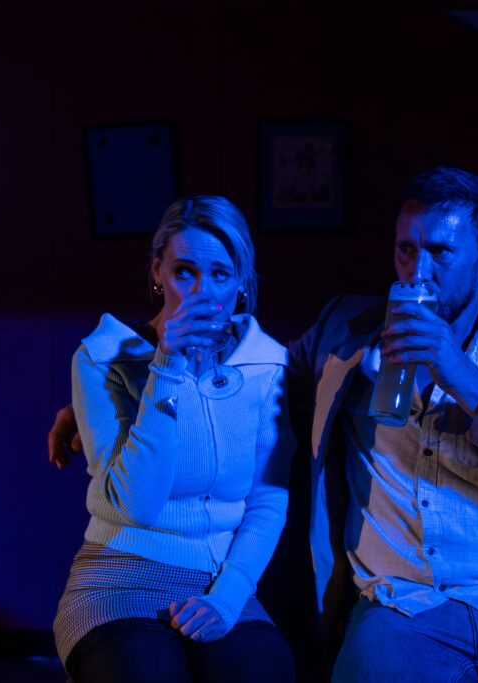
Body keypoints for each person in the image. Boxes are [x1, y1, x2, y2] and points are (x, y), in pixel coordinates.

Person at [51, 169, 478, 682]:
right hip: (400, 602)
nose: (418, 272)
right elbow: (257, 381)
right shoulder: (347, 330)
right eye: (405, 250)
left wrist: (460, 374)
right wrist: (105, 395)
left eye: (440, 252)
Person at [52, 195, 296, 683]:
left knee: (264, 672)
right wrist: (167, 367)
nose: (202, 292)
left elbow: (267, 500)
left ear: (241, 283)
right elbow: (138, 506)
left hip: (221, 580)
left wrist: (227, 598)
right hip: (120, 573)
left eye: (220, 274)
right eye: (185, 272)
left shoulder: (267, 364)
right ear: (158, 273)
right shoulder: (102, 357)